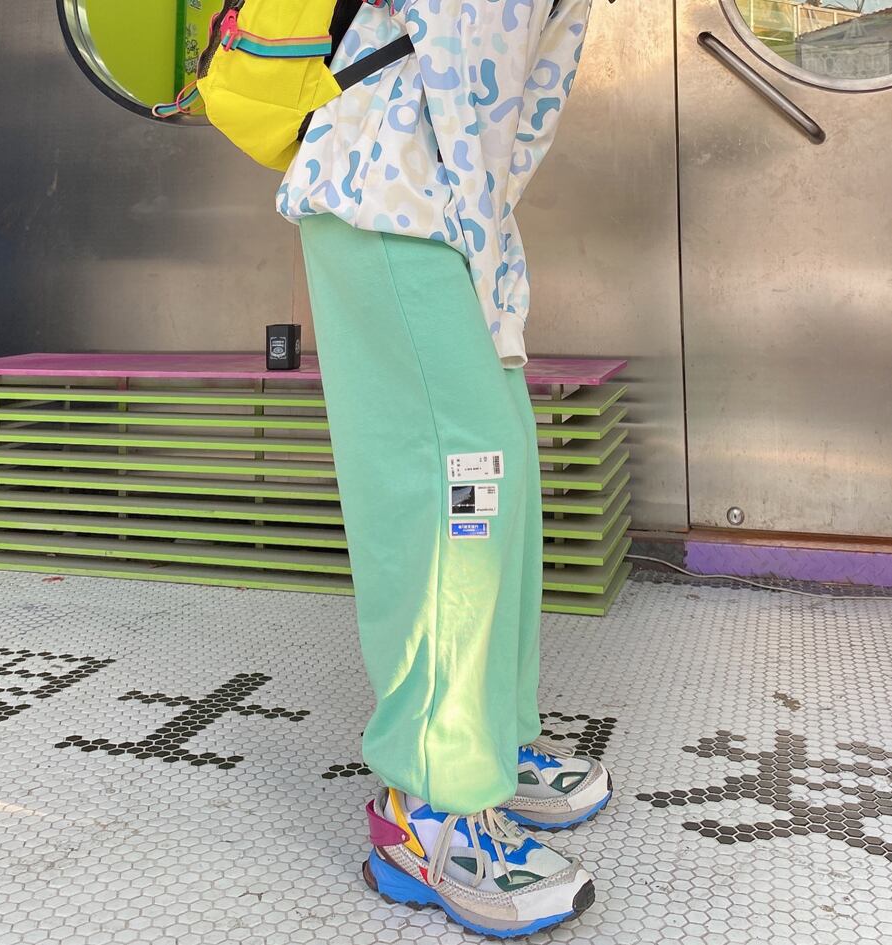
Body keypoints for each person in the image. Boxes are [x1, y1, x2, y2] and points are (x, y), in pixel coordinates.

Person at [276, 0, 612, 936]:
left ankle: (492, 741)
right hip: (396, 191)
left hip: (440, 199)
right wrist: (483, 243)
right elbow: (467, 68)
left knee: (499, 470)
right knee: (454, 492)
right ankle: (429, 803)